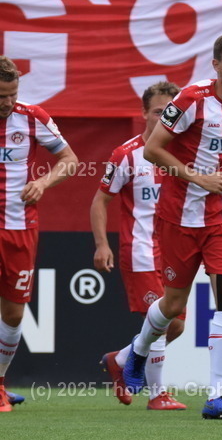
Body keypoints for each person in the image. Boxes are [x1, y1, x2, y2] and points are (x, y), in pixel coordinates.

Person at [113, 33, 222, 421]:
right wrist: (196, 178)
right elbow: (152, 149)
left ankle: (217, 395)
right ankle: (132, 352)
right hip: (179, 217)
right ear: (215, 66)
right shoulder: (191, 100)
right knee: (172, 305)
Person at [93, 82, 186, 411]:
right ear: (144, 113)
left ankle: (120, 359)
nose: (164, 118)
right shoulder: (126, 154)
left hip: (175, 251)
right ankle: (158, 395)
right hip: (141, 252)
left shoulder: (183, 152)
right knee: (164, 321)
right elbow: (100, 201)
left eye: (170, 112)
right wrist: (102, 244)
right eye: (158, 112)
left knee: (176, 324)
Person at [0, 56, 79, 413]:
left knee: (14, 315)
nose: (7, 103)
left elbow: (70, 160)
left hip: (19, 229)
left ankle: (0, 384)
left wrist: (43, 182)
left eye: (12, 95)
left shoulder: (31, 117)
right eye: (1, 96)